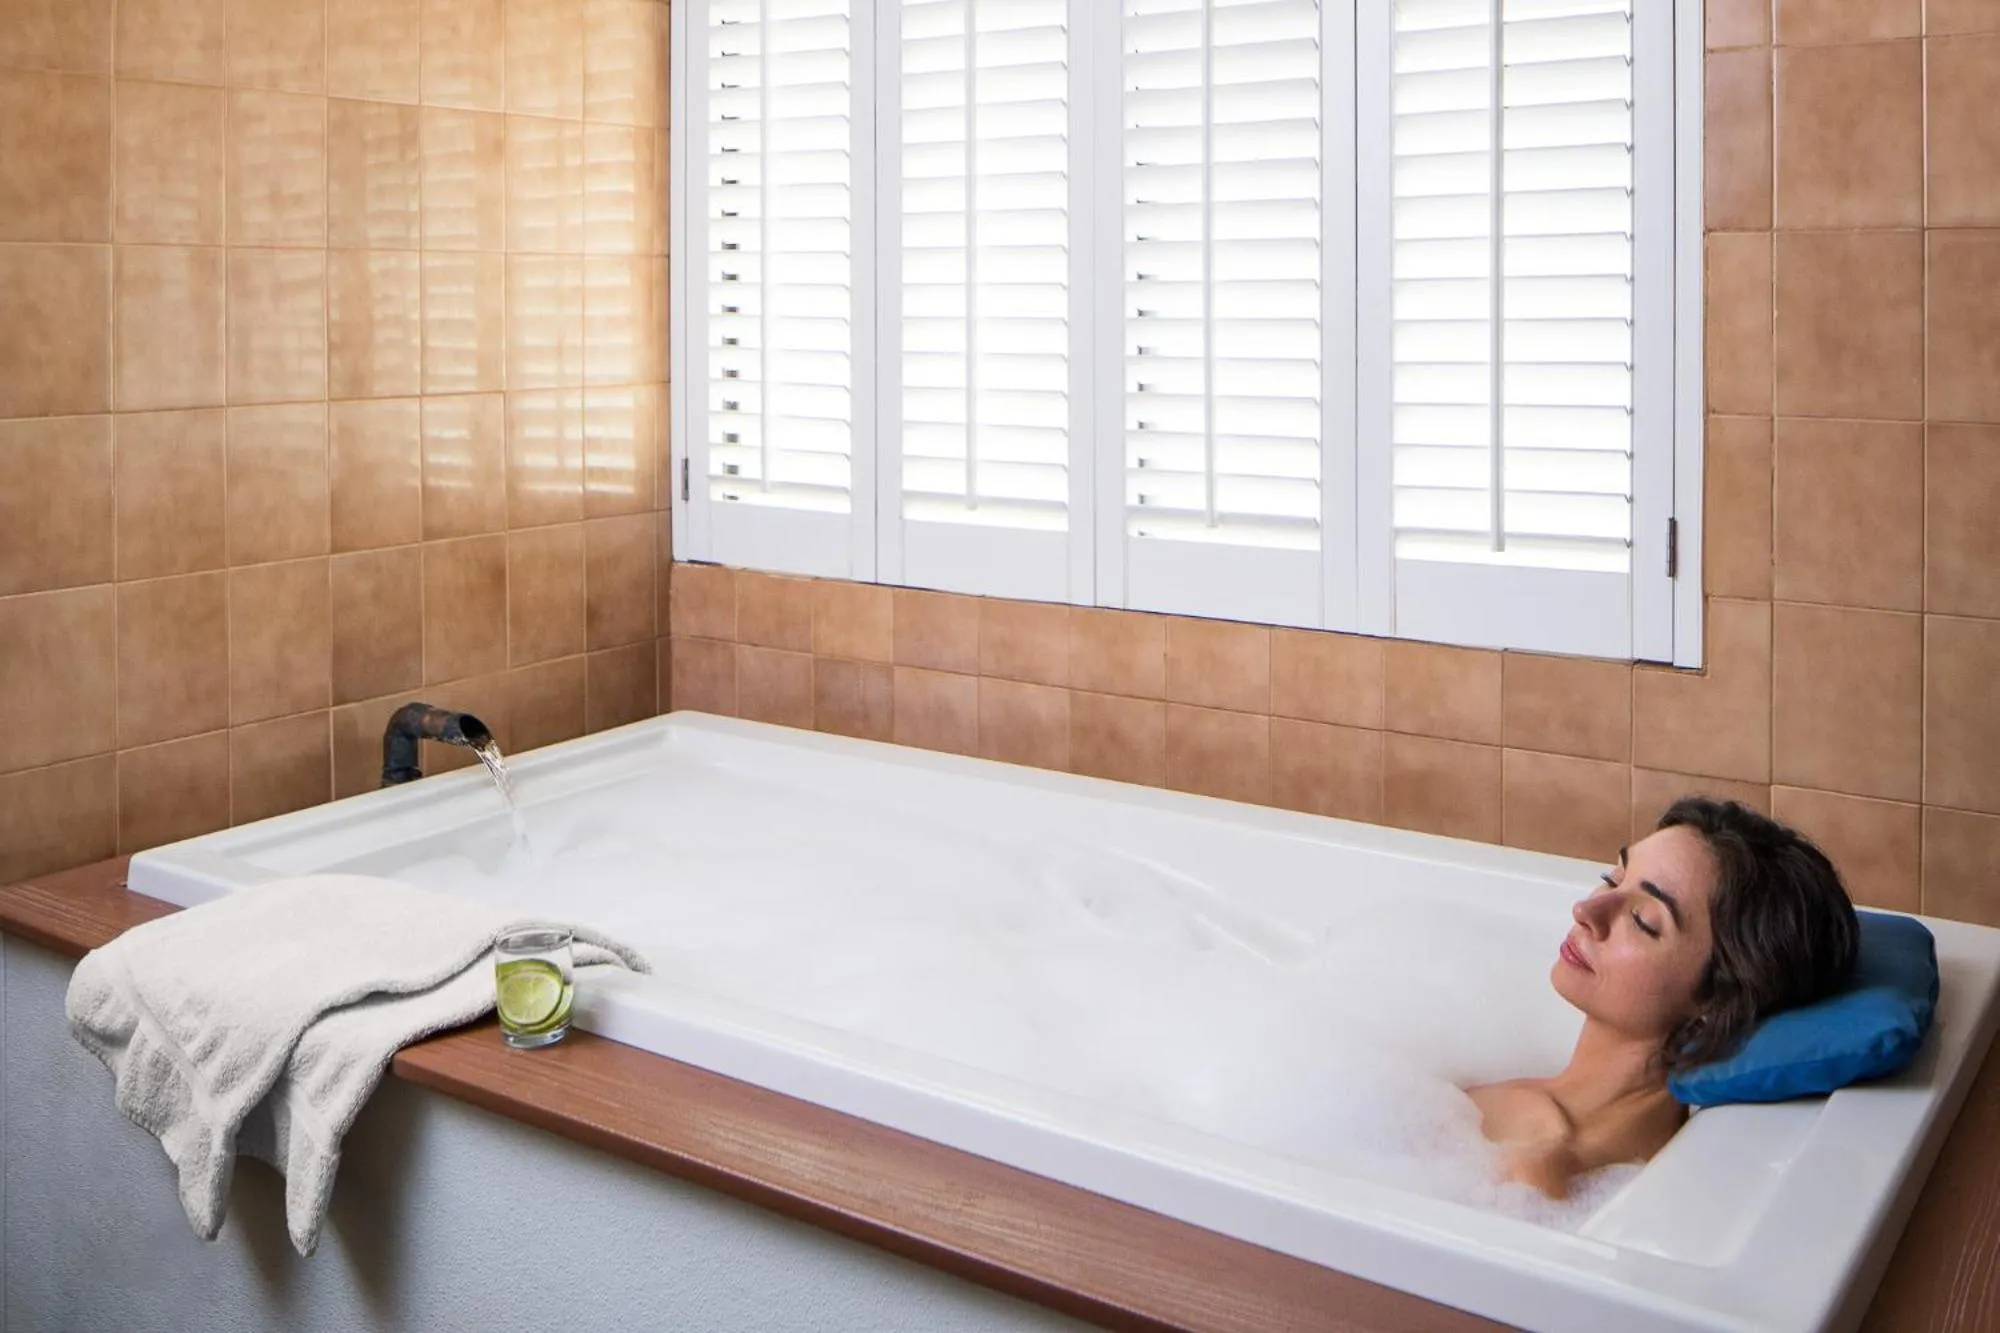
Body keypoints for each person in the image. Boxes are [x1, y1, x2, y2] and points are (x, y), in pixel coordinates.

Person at [1467, 797, 1859, 1198]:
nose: (1586, 909)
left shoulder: (1530, 1165)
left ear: (1719, 999)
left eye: (1643, 920)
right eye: (1614, 879)